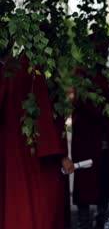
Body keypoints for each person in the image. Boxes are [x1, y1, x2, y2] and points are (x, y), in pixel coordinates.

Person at [0, 30, 74, 229]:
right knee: (40, 206)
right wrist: (60, 154)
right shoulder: (39, 70)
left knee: (17, 203)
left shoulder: (10, 68)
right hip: (37, 154)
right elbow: (48, 116)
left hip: (12, 148)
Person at [71, 31, 109, 229]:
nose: (104, 53)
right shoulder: (82, 74)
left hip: (107, 142)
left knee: (106, 183)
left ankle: (100, 221)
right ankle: (85, 222)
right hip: (88, 140)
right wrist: (106, 100)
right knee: (86, 183)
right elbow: (89, 104)